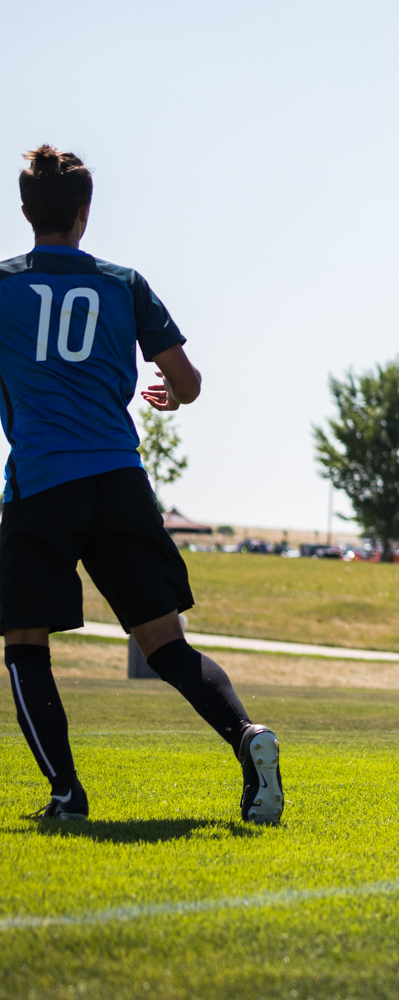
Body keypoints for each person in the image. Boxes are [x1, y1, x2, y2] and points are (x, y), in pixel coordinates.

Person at [0, 145, 282, 823]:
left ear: (24, 211)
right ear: (84, 213)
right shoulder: (123, 283)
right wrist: (170, 396)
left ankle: (66, 793)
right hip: (119, 482)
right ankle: (247, 738)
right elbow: (186, 382)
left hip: (40, 484)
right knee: (165, 644)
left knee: (24, 642)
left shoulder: (3, 286)